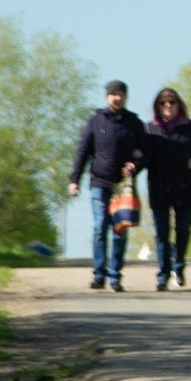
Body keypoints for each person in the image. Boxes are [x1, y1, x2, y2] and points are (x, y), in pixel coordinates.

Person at [68, 79, 146, 292]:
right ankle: (99, 274)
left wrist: (135, 165)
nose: (118, 98)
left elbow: (144, 153)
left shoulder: (134, 123)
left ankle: (115, 276)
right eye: (114, 94)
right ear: (107, 96)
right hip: (99, 183)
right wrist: (74, 179)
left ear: (126, 97)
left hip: (123, 186)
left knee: (120, 228)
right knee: (100, 226)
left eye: (121, 94)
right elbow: (82, 152)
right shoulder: (95, 121)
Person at [143, 87, 191, 291]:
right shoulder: (150, 129)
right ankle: (163, 274)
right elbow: (143, 156)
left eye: (172, 102)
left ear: (179, 105)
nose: (168, 106)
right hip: (159, 187)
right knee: (161, 233)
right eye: (163, 103)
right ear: (157, 106)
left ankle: (178, 266)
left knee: (183, 229)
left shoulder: (188, 127)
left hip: (184, 187)